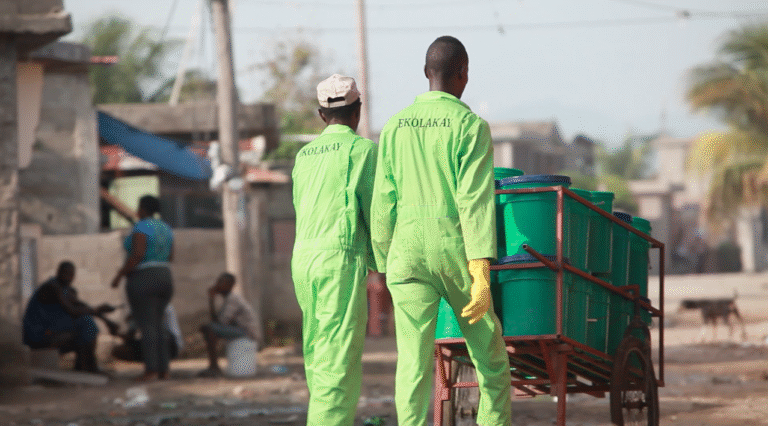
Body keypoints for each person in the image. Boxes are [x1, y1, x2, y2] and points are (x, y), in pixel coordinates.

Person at [371, 36, 512, 426]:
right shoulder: (470, 126)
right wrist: (480, 269)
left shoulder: (395, 127)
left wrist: (384, 262)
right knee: (491, 359)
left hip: (405, 254)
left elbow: (384, 200)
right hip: (455, 251)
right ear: (464, 72)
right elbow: (475, 201)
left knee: (412, 365)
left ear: (425, 74)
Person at [290, 74, 377, 425]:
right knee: (337, 364)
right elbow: (376, 214)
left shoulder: (303, 155)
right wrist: (383, 262)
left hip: (303, 261)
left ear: (322, 115)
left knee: (317, 355)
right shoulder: (363, 151)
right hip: (337, 261)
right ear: (358, 111)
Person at [111, 195, 174, 382]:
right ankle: (164, 370)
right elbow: (171, 256)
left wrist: (119, 275)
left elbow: (137, 254)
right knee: (159, 324)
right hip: (165, 276)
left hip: (144, 278)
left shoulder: (141, 227)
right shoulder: (166, 228)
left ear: (143, 209)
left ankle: (151, 370)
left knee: (147, 326)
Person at [23, 261, 116, 373]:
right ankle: (88, 366)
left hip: (50, 332)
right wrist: (97, 311)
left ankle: (84, 365)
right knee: (85, 323)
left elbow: (82, 306)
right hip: (37, 336)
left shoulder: (66, 290)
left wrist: (106, 320)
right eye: (65, 273)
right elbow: (73, 311)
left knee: (85, 326)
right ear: (58, 272)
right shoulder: (52, 287)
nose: (68, 277)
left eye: (71, 274)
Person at [198, 273, 260, 376]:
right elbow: (216, 322)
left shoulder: (233, 299)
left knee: (209, 328)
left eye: (221, 282)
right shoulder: (229, 299)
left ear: (230, 285)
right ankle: (213, 366)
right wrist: (211, 300)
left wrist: (212, 299)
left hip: (248, 333)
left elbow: (219, 323)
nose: (217, 284)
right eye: (218, 281)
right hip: (243, 331)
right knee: (209, 329)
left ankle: (214, 367)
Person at [111, 304, 183, 363]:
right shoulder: (162, 303)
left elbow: (131, 335)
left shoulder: (151, 306)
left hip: (169, 345)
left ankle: (153, 370)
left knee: (121, 350)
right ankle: (156, 366)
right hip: (172, 345)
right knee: (120, 349)